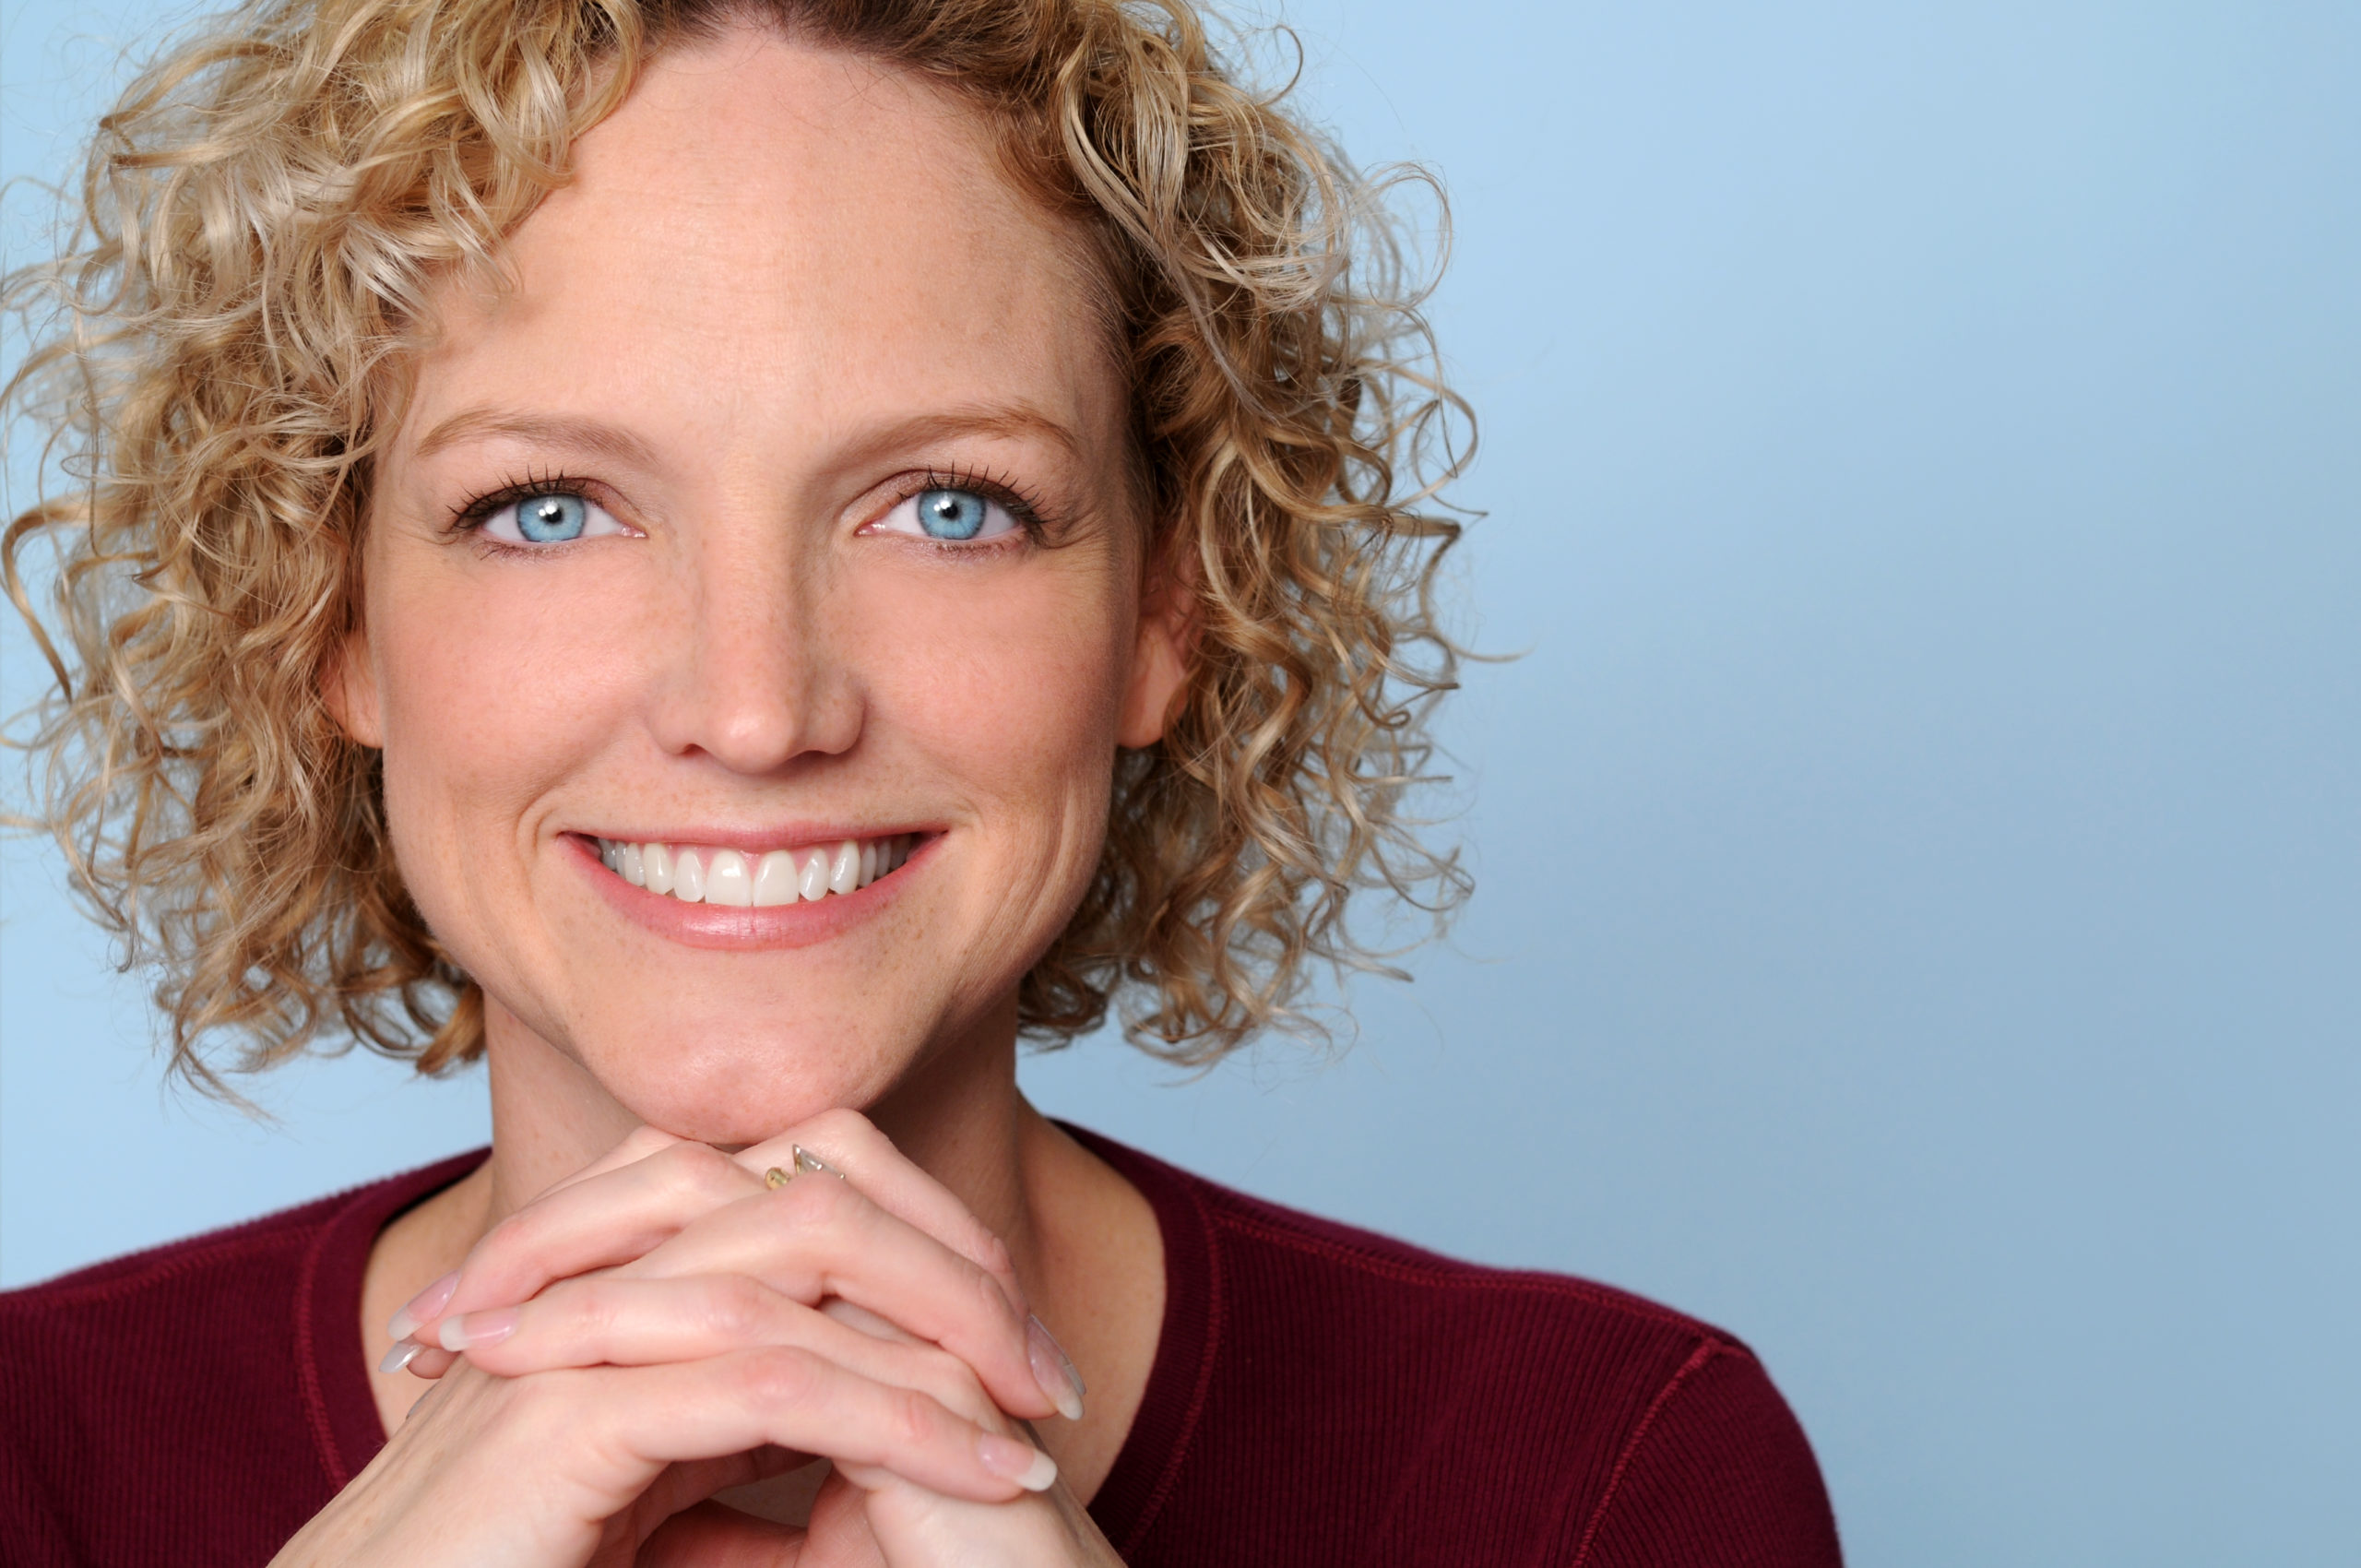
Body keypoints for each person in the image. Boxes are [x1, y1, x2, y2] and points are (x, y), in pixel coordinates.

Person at [0, 0, 1844, 1561]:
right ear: (333, 620)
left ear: (1163, 606)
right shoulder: (39, 1465)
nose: (753, 705)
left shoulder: (1595, 1481)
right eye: (544, 508)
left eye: (946, 506)